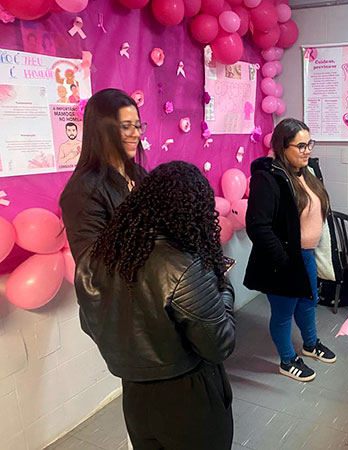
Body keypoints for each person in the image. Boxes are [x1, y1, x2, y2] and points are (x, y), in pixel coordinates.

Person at [76, 161, 235, 449]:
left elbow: (90, 323)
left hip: (135, 395)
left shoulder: (97, 256)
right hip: (189, 396)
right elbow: (218, 345)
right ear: (194, 212)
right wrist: (223, 286)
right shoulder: (184, 267)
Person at [245, 118, 337, 382]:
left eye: (309, 144)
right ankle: (287, 360)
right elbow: (258, 226)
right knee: (284, 313)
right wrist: (284, 259)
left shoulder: (306, 172)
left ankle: (310, 344)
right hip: (284, 260)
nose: (307, 151)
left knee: (308, 302)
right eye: (300, 146)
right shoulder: (268, 178)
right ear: (282, 147)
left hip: (306, 255)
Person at [60, 88, 147, 263]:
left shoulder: (139, 174)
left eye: (138, 126)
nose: (136, 134)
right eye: (126, 127)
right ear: (102, 131)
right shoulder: (82, 191)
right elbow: (93, 265)